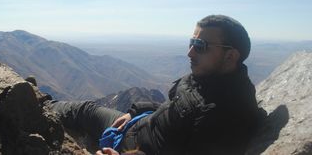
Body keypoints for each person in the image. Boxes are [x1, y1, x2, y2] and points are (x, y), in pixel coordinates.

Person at [52, 15, 264, 155]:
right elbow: (174, 106)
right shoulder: (207, 75)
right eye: (192, 42)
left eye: (200, 45)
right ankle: (42, 105)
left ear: (230, 56)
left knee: (83, 111)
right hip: (137, 124)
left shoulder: (226, 114)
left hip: (132, 145)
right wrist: (137, 110)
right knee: (83, 109)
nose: (190, 52)